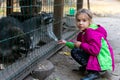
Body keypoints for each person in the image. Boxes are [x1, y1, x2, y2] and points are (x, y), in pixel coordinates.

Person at [58, 8, 115, 80]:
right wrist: (66, 43)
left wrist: (81, 44)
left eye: (84, 20)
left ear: (89, 21)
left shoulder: (91, 33)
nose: (80, 23)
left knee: (75, 51)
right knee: (76, 50)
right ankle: (88, 67)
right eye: (78, 20)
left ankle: (94, 72)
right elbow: (78, 45)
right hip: (98, 59)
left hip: (102, 62)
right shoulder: (83, 33)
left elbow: (95, 51)